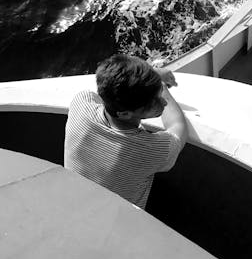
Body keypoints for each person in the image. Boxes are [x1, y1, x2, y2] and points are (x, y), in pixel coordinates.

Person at [64, 53, 188, 209]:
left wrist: (151, 78)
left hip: (75, 204)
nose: (162, 101)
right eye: (153, 102)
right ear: (124, 113)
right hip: (119, 223)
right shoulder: (151, 150)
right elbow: (177, 125)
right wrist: (162, 86)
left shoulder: (81, 103)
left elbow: (110, 86)